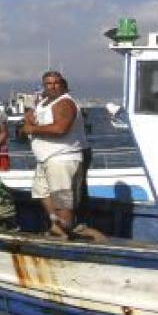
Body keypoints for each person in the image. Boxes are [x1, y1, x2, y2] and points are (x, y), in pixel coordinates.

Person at [19, 71, 103, 240]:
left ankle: (74, 232)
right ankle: (57, 224)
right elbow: (32, 124)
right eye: (48, 83)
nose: (52, 86)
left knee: (62, 201)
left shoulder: (64, 103)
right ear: (43, 86)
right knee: (41, 192)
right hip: (45, 159)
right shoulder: (43, 102)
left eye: (56, 83)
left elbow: (60, 128)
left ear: (63, 84)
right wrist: (28, 122)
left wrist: (32, 128)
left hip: (62, 158)